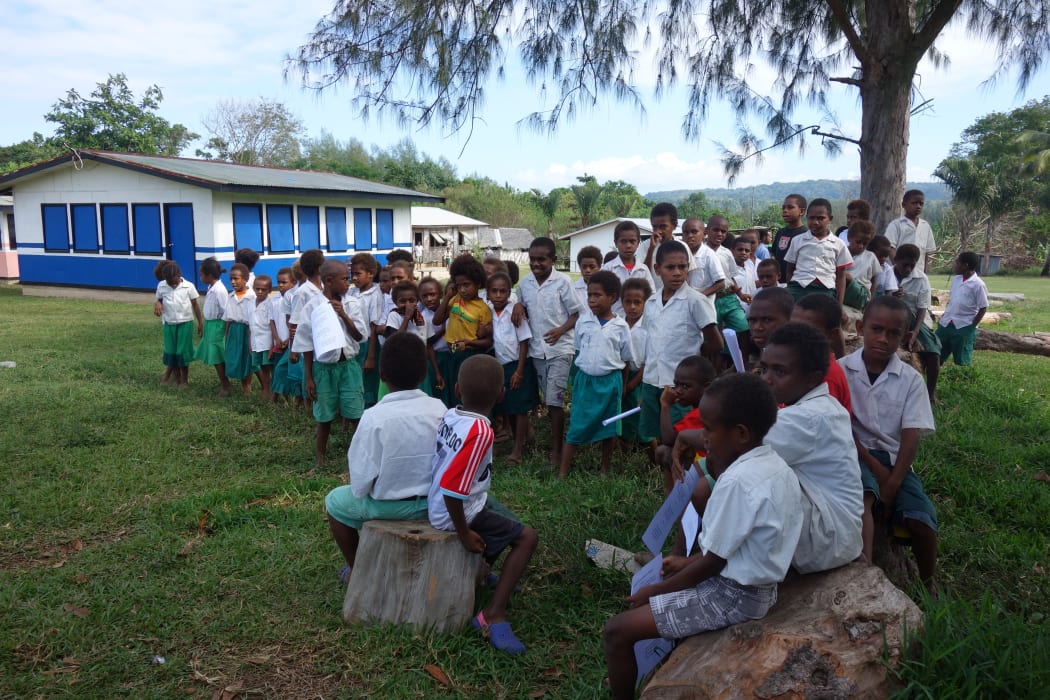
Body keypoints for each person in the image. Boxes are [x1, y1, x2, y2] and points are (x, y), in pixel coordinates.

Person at [603, 373, 802, 700]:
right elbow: (732, 548)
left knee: (618, 631)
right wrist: (685, 562)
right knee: (659, 597)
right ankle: (655, 664)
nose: (703, 437)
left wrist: (656, 591)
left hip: (735, 595)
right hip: (753, 586)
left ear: (739, 434)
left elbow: (713, 563)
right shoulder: (776, 466)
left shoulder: (737, 482)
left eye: (709, 429)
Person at [428, 354, 539, 655]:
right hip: (455, 512)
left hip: (442, 502)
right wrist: (463, 533)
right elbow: (453, 489)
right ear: (502, 395)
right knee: (527, 537)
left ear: (457, 390)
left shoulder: (452, 414)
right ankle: (493, 613)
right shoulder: (481, 433)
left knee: (501, 517)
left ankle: (484, 572)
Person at [325, 332, 448, 581]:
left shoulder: (374, 416)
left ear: (381, 375)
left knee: (334, 502)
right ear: (423, 374)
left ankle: (360, 569)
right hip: (436, 505)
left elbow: (360, 483)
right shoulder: (440, 409)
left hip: (388, 506)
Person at [839, 296, 938, 589]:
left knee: (921, 520)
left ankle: (928, 582)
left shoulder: (911, 380)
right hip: (853, 455)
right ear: (860, 327)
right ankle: (864, 572)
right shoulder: (842, 371)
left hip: (896, 462)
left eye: (893, 333)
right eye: (876, 329)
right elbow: (844, 428)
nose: (882, 338)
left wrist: (893, 483)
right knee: (865, 502)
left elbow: (910, 440)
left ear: (906, 337)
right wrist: (878, 473)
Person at [760, 323, 863, 573]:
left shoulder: (808, 417)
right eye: (764, 369)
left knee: (737, 477)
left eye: (779, 372)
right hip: (837, 531)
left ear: (813, 378)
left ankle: (719, 564)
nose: (766, 379)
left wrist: (687, 437)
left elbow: (736, 443)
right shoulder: (819, 406)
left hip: (826, 538)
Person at [639, 241, 722, 452]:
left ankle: (681, 474)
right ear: (657, 270)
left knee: (679, 436)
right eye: (670, 267)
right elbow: (650, 339)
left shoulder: (695, 301)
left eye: (682, 267)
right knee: (657, 431)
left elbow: (715, 341)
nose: (677, 273)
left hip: (680, 384)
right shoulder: (651, 302)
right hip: (652, 378)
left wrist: (695, 365)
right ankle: (661, 472)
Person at [514, 237, 581, 467]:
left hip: (560, 349)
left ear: (553, 260)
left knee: (554, 400)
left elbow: (576, 313)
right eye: (532, 259)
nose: (536, 264)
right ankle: (554, 442)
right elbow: (520, 305)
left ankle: (557, 450)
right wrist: (518, 305)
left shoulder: (562, 282)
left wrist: (561, 330)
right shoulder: (525, 284)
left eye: (541, 259)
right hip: (536, 351)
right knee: (547, 398)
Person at [560, 271, 634, 477]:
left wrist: (624, 386)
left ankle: (605, 468)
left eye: (597, 295)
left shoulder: (620, 327)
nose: (591, 300)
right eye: (589, 295)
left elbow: (626, 360)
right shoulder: (583, 321)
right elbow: (577, 351)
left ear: (612, 298)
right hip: (585, 381)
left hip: (611, 383)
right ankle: (562, 472)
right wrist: (574, 381)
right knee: (577, 424)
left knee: (609, 426)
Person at [294, 260, 367, 468]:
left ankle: (361, 457)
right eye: (344, 279)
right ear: (328, 281)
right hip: (323, 369)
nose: (349, 283)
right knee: (324, 415)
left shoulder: (351, 303)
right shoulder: (313, 306)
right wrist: (308, 377)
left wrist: (343, 315)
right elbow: (306, 344)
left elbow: (360, 335)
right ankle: (320, 459)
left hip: (349, 367)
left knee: (355, 413)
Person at [486, 271, 536, 465]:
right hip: (500, 365)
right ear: (488, 293)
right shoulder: (488, 311)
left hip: (518, 364)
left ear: (509, 293)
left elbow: (524, 342)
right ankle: (523, 438)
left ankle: (517, 452)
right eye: (494, 291)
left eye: (503, 291)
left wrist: (520, 371)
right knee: (509, 407)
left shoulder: (515, 313)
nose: (498, 295)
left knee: (520, 409)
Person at [434, 253, 494, 395]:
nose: (462, 290)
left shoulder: (483, 309)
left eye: (466, 285)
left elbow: (488, 341)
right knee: (454, 392)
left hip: (470, 356)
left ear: (478, 283)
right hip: (452, 355)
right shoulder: (455, 299)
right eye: (459, 285)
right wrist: (448, 295)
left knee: (469, 393)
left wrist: (469, 343)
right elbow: (437, 320)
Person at [891, 243, 941, 401]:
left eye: (911, 265)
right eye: (904, 264)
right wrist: (891, 296)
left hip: (914, 320)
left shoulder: (921, 279)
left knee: (933, 354)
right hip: (890, 316)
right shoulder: (886, 274)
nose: (908, 269)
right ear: (896, 259)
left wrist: (915, 334)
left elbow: (921, 309)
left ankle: (930, 393)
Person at [784, 198, 852, 304]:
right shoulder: (798, 240)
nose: (815, 222)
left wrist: (839, 305)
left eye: (821, 218)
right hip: (799, 287)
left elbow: (841, 277)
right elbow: (789, 269)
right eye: (811, 218)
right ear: (806, 218)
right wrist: (791, 289)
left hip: (826, 289)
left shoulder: (838, 244)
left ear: (830, 219)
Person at [790, 293, 851, 409]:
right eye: (792, 327)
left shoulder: (827, 378)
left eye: (807, 331)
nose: (795, 335)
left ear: (831, 335)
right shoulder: (804, 362)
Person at [706, 215, 752, 362]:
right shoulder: (700, 252)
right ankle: (714, 372)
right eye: (716, 230)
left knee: (744, 328)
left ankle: (743, 365)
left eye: (723, 231)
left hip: (729, 298)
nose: (720, 234)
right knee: (715, 339)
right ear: (707, 230)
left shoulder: (726, 253)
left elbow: (730, 277)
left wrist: (740, 294)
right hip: (711, 300)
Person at [385, 280, 440, 397]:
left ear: (417, 300)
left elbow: (429, 346)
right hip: (401, 367)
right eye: (403, 301)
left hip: (421, 367)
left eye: (412, 300)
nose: (408, 304)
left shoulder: (422, 318)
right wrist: (406, 318)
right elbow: (395, 341)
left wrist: (437, 372)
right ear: (395, 302)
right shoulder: (394, 316)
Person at [153, 260, 202, 388]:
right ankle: (177, 378)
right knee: (171, 352)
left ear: (179, 275)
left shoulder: (189, 286)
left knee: (183, 352)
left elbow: (195, 305)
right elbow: (159, 298)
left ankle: (184, 380)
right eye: (169, 282)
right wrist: (158, 303)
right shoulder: (162, 286)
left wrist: (200, 322)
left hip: (185, 323)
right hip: (169, 324)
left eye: (174, 281)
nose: (172, 284)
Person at [935, 251, 988, 368]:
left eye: (958, 263)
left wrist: (972, 326)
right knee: (936, 352)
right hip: (947, 323)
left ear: (966, 265)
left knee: (962, 359)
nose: (955, 265)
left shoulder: (978, 284)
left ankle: (961, 381)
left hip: (964, 325)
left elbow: (983, 307)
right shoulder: (956, 280)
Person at [349, 252, 384, 407]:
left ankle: (366, 410)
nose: (354, 278)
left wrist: (370, 357)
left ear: (370, 274)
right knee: (354, 377)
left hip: (368, 344)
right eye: (352, 274)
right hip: (353, 343)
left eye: (358, 274)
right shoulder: (351, 292)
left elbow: (374, 327)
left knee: (367, 379)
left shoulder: (375, 294)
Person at [620, 277, 650, 448]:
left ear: (645, 303)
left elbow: (648, 363)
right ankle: (626, 446)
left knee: (639, 413)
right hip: (621, 376)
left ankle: (648, 448)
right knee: (623, 414)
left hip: (639, 377)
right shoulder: (618, 324)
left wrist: (631, 385)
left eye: (637, 302)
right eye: (628, 302)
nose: (632, 307)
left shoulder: (648, 327)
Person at [195, 257, 232, 396]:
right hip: (210, 325)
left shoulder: (219, 290)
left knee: (217, 356)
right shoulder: (211, 287)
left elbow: (226, 310)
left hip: (218, 325)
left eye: (202, 274)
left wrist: (224, 329)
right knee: (214, 355)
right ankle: (224, 381)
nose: (201, 277)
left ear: (209, 275)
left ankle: (225, 384)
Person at [601, 220, 655, 313]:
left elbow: (651, 296)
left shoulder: (643, 270)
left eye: (632, 241)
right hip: (614, 320)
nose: (628, 245)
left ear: (638, 243)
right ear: (616, 243)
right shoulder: (607, 269)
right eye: (623, 241)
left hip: (639, 320)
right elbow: (601, 296)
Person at [223, 263, 257, 396]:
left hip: (247, 330)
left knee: (247, 358)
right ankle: (244, 384)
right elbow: (228, 318)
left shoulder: (252, 297)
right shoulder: (230, 296)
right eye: (231, 279)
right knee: (236, 357)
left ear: (245, 279)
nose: (233, 282)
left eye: (236, 279)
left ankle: (249, 386)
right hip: (234, 330)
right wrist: (227, 335)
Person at [419, 276, 453, 406]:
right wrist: (442, 330)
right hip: (435, 360)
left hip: (451, 355)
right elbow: (429, 344)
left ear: (440, 293)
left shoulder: (449, 309)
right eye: (425, 296)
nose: (429, 299)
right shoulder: (423, 317)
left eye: (432, 294)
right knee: (439, 389)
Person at [885, 189, 936, 274]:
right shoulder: (896, 225)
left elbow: (926, 252)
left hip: (918, 274)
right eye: (914, 203)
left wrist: (925, 272)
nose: (918, 206)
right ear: (903, 204)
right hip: (899, 273)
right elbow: (890, 248)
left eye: (921, 203)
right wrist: (898, 268)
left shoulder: (925, 226)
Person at [268, 267, 296, 403]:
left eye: (284, 282)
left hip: (291, 341)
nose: (280, 285)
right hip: (278, 341)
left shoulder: (294, 298)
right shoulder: (274, 300)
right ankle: (280, 398)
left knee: (289, 371)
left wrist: (287, 339)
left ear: (293, 282)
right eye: (278, 282)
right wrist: (277, 338)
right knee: (277, 369)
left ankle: (294, 399)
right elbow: (271, 321)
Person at [679, 217, 726, 298]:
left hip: (703, 304)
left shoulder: (708, 255)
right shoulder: (680, 253)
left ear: (704, 233)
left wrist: (700, 296)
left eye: (694, 232)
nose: (690, 236)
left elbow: (721, 283)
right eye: (686, 232)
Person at [842, 221, 880, 310]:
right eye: (858, 242)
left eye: (865, 243)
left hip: (861, 294)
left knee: (846, 276)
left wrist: (870, 300)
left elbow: (874, 281)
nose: (861, 246)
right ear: (849, 238)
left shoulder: (870, 257)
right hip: (843, 291)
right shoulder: (841, 253)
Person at [249, 274, 275, 402]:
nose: (260, 291)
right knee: (262, 368)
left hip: (267, 342)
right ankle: (266, 389)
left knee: (270, 367)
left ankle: (273, 392)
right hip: (255, 342)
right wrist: (250, 343)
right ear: (253, 288)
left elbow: (272, 327)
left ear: (269, 290)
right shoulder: (250, 303)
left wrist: (272, 346)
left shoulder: (270, 304)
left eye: (263, 289)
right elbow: (250, 325)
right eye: (257, 288)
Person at [771, 194, 808, 282]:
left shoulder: (806, 235)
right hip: (779, 282)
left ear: (801, 211)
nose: (785, 210)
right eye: (783, 208)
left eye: (790, 207)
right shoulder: (780, 232)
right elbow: (774, 255)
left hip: (797, 283)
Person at [640, 202, 680, 277]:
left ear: (674, 225)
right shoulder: (645, 246)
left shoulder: (682, 246)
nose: (658, 231)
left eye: (663, 227)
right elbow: (641, 274)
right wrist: (651, 249)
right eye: (654, 227)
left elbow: (687, 275)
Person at [573, 246, 603, 317]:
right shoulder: (573, 288)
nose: (588, 270)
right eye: (584, 267)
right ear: (580, 267)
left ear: (599, 267)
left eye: (592, 267)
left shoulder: (606, 288)